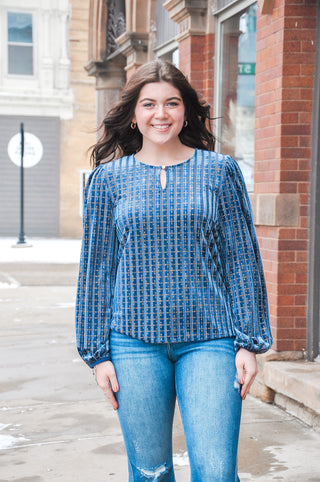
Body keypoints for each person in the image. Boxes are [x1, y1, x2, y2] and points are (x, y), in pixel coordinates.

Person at [75, 60, 273, 481]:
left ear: (186, 112)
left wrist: (249, 343)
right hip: (132, 343)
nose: (160, 113)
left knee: (217, 472)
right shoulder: (108, 181)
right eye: (149, 104)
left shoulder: (219, 171)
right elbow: (96, 271)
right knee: (150, 472)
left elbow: (242, 259)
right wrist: (97, 355)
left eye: (171, 103)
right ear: (133, 113)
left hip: (211, 341)